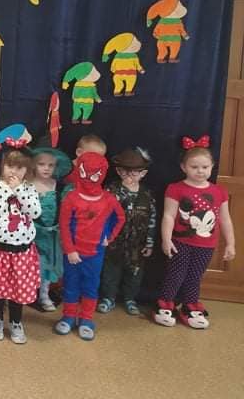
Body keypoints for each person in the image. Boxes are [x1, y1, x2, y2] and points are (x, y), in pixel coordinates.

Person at [154, 136, 236, 329]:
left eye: (205, 167)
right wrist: (166, 239)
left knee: (195, 276)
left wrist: (231, 243)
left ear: (212, 166)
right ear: (184, 167)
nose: (200, 171)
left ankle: (190, 306)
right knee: (175, 274)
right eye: (194, 167)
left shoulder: (219, 192)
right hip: (180, 243)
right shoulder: (175, 189)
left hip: (206, 245)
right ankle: (165, 304)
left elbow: (225, 219)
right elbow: (168, 216)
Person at [54, 152, 125, 340]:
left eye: (94, 175)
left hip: (94, 254)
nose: (88, 179)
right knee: (70, 285)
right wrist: (70, 249)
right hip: (73, 254)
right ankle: (69, 316)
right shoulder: (71, 198)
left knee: (91, 287)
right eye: (85, 173)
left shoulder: (108, 199)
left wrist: (109, 237)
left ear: (102, 174)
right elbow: (64, 225)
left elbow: (120, 218)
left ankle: (86, 318)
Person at [0, 144, 42, 344]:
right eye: (10, 166)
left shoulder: (29, 189)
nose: (13, 171)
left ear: (27, 170)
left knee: (18, 290)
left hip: (23, 252)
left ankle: (15, 322)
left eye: (19, 167)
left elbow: (35, 213)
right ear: (2, 166)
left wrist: (18, 191)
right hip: (0, 250)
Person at [97, 147, 156, 316]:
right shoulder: (111, 190)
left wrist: (150, 243)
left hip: (137, 243)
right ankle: (108, 298)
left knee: (134, 273)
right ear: (118, 171)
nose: (129, 175)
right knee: (110, 271)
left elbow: (152, 219)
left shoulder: (147, 194)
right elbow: (102, 215)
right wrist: (103, 237)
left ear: (143, 173)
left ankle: (130, 299)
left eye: (134, 172)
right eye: (125, 171)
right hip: (114, 242)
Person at [31, 145, 72, 312]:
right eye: (41, 164)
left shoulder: (59, 187)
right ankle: (26, 292)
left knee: (48, 265)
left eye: (51, 165)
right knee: (33, 265)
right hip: (32, 234)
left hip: (52, 235)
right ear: (33, 164)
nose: (46, 168)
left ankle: (44, 294)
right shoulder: (27, 186)